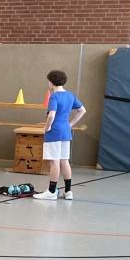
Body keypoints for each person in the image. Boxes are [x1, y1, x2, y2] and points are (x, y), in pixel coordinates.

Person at [32, 70, 87, 201]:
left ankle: (51, 191)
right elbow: (82, 110)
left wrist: (47, 127)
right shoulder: (70, 95)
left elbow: (51, 115)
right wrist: (70, 124)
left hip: (54, 133)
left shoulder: (54, 97)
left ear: (51, 82)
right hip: (66, 132)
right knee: (64, 161)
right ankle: (68, 192)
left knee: (54, 162)